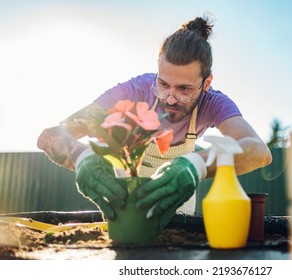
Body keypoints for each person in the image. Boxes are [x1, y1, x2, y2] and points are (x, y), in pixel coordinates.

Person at [37, 14, 272, 229]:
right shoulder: (136, 90)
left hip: (176, 202)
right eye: (163, 84)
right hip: (123, 201)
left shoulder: (214, 104)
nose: (170, 97)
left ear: (206, 83)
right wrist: (82, 159)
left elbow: (259, 151)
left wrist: (195, 166)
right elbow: (52, 136)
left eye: (184, 89)